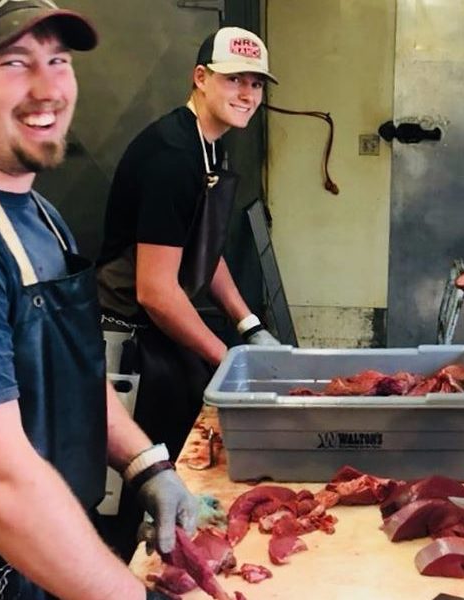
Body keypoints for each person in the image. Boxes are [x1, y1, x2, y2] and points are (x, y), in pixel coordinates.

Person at [0, 1, 196, 599]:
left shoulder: (44, 219)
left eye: (59, 60)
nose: (48, 89)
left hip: (43, 559)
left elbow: (74, 377)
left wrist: (147, 465)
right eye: (14, 63)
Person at [95, 26, 280, 559]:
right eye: (234, 80)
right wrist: (228, 360)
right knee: (135, 498)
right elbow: (156, 291)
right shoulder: (171, 156)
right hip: (128, 344)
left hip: (160, 333)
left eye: (256, 84)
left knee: (181, 471)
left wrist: (249, 325)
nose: (247, 94)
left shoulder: (212, 147)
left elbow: (203, 246)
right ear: (201, 78)